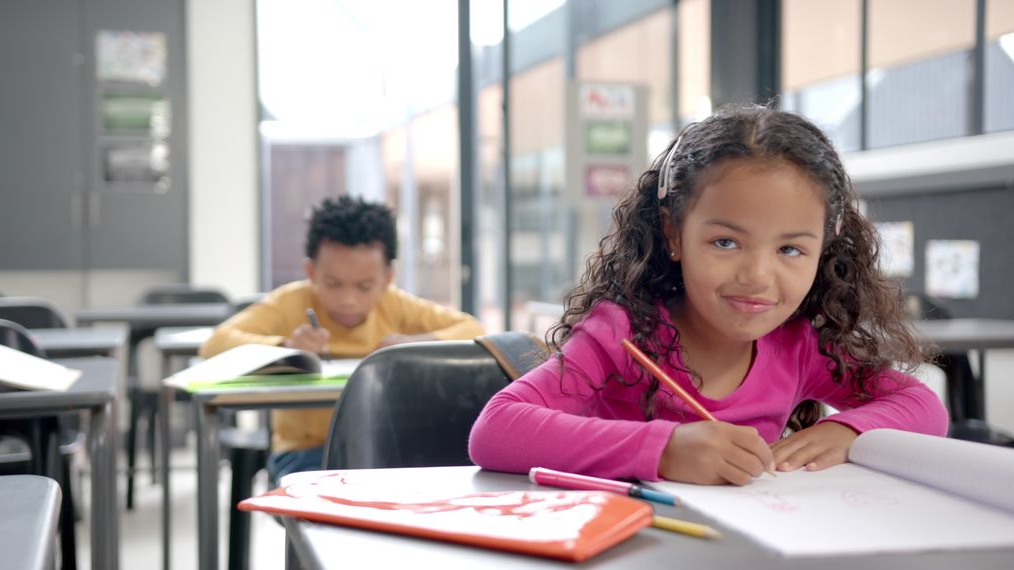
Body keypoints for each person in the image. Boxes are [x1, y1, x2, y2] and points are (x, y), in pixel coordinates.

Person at [468, 105, 948, 486]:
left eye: (790, 249)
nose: (758, 275)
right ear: (674, 234)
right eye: (726, 242)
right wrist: (666, 449)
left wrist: (846, 430)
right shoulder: (623, 334)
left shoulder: (801, 347)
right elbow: (496, 430)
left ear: (824, 251)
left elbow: (925, 407)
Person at [201, 195, 485, 482]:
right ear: (311, 271)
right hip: (306, 452)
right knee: (332, 506)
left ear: (387, 277)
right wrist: (285, 348)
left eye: (364, 286)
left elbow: (473, 329)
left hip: (386, 448)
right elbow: (215, 343)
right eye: (333, 284)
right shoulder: (290, 302)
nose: (348, 300)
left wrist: (414, 345)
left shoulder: (395, 304)